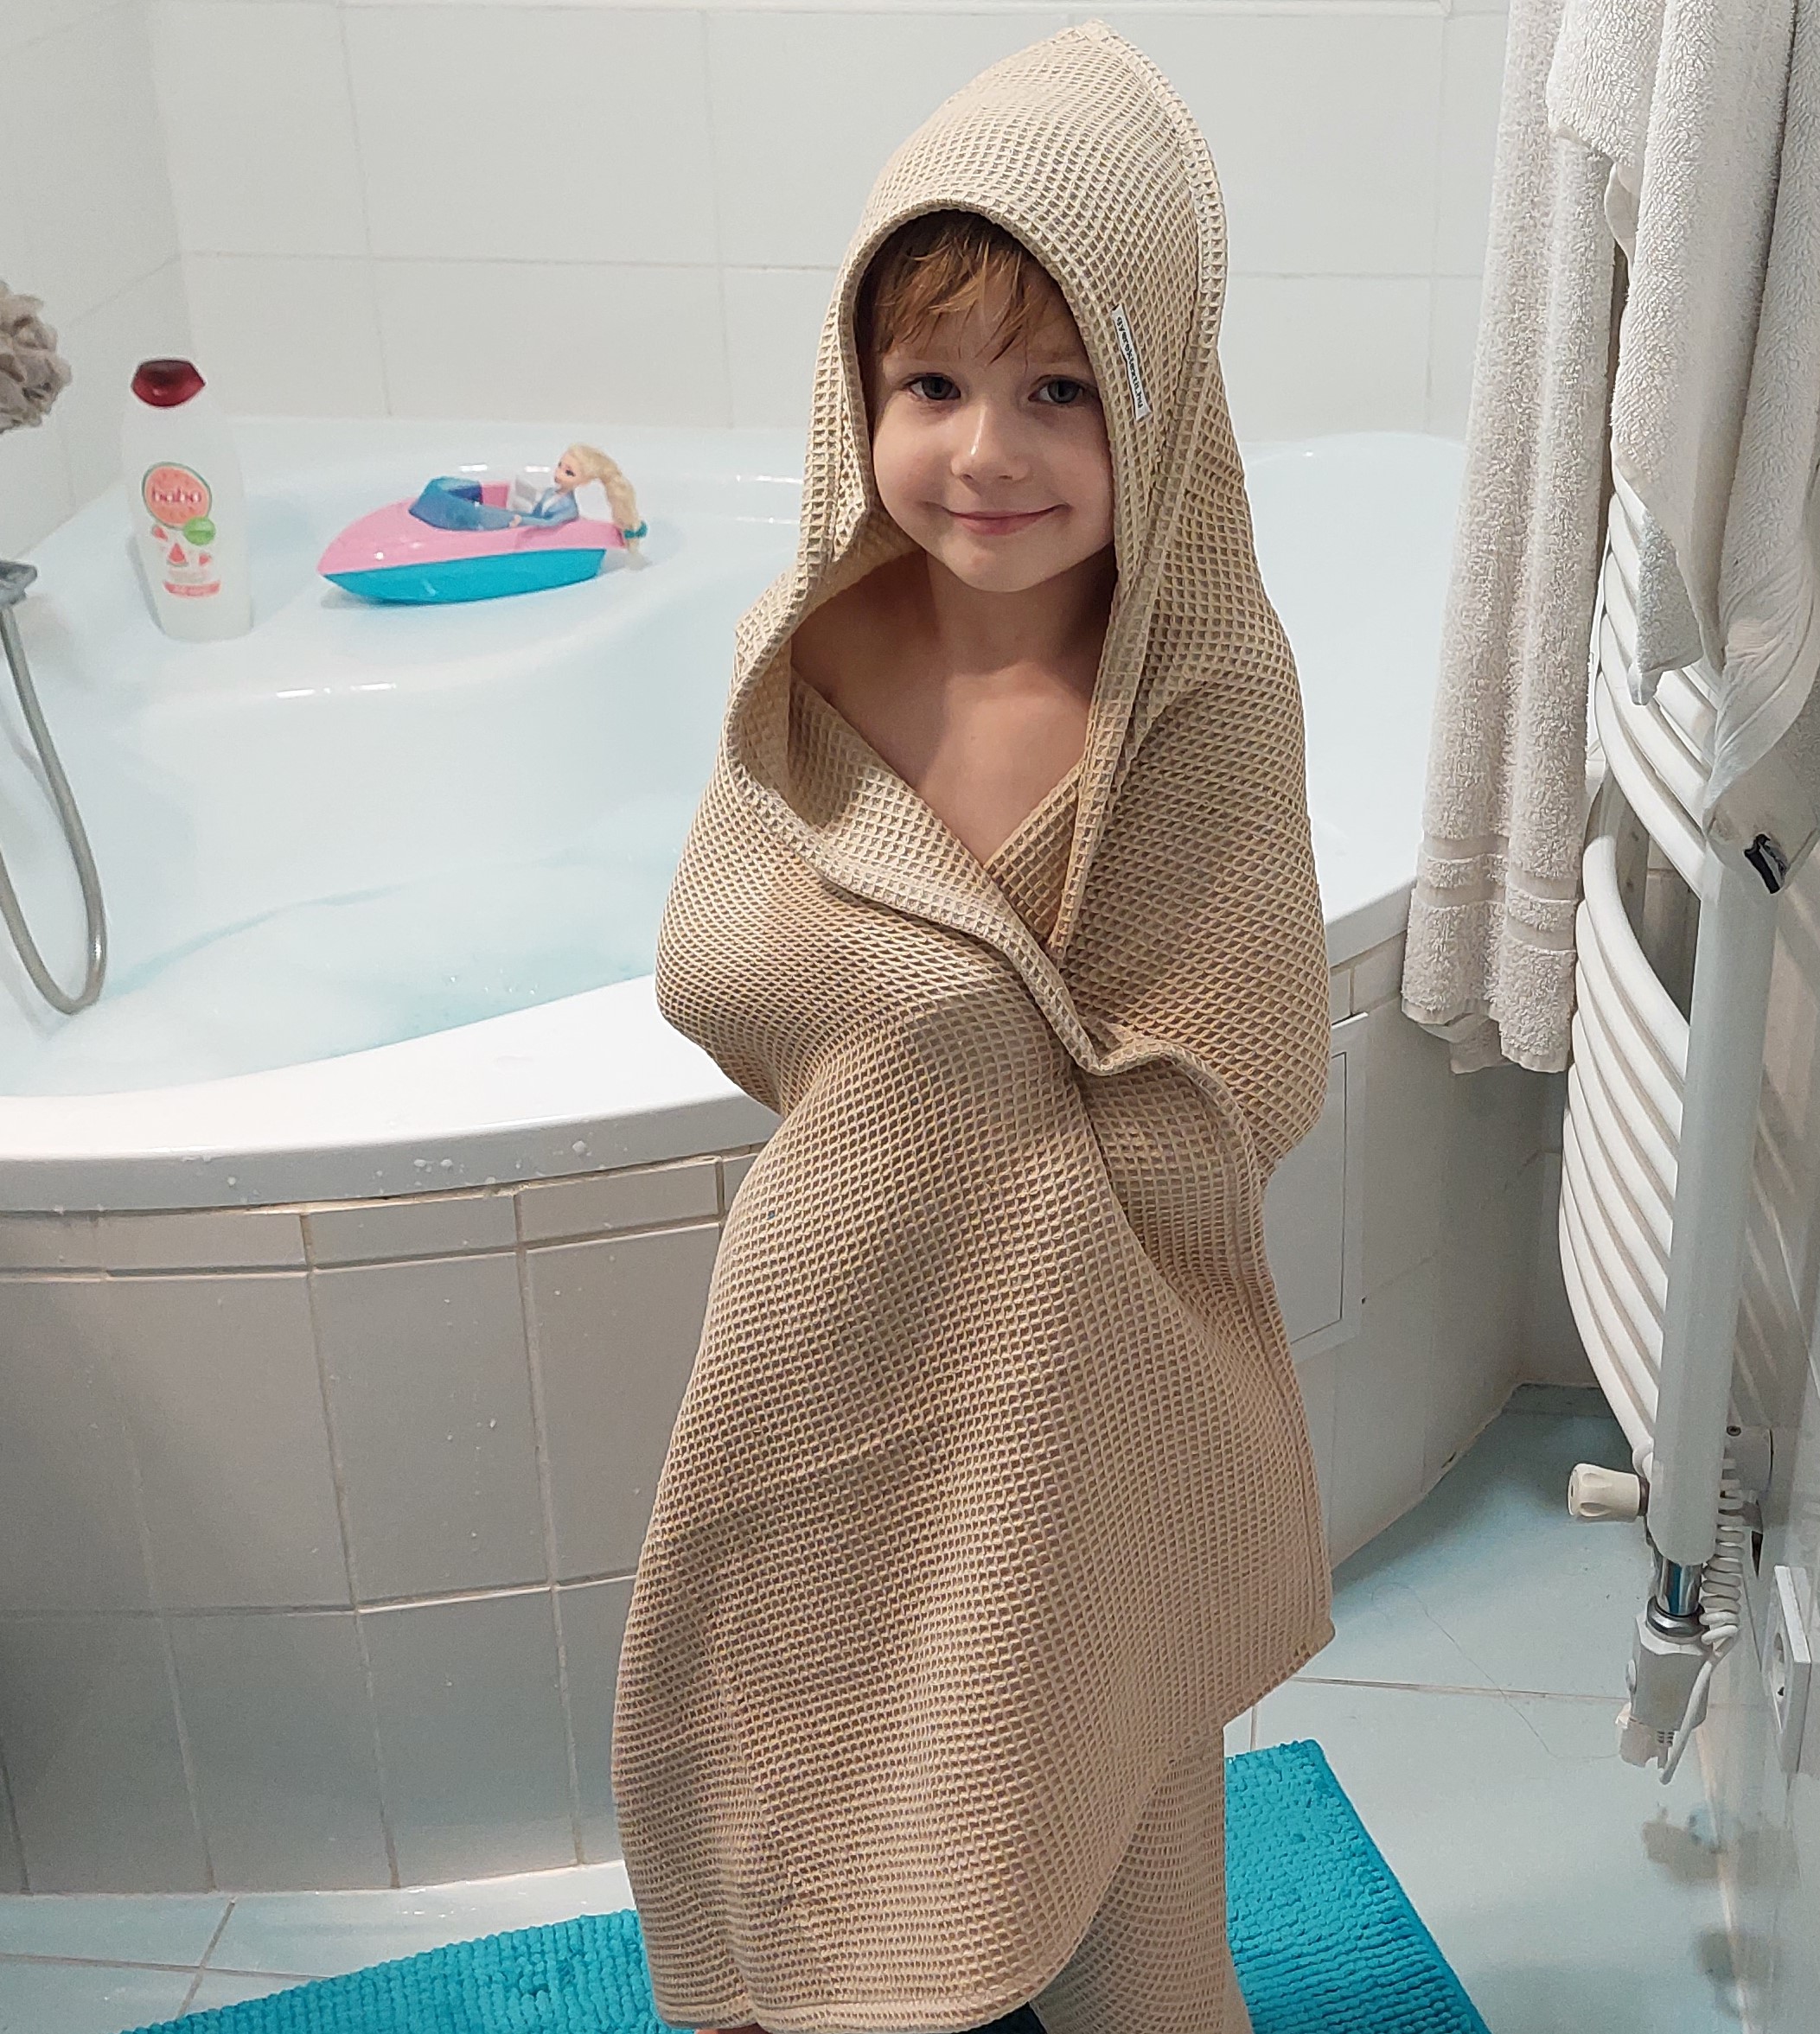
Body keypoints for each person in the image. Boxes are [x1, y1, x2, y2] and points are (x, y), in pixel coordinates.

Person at [613, 24, 1334, 2034]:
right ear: (857, 390)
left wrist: (961, 1045)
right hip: (833, 1321)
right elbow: (722, 962)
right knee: (828, 1736)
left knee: (1115, 1837)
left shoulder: (1192, 689)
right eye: (929, 384)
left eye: (1058, 390)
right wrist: (936, 1029)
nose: (985, 453)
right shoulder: (804, 651)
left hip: (1092, 1368)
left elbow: (1249, 1056)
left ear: (1158, 402)